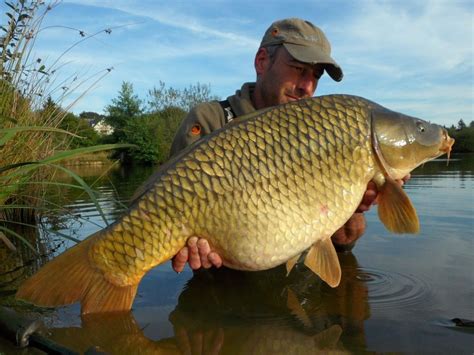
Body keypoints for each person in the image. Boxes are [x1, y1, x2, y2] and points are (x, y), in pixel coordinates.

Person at [169, 18, 407, 273]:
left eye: (315, 76)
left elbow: (344, 242)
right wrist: (183, 244)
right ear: (262, 61)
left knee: (354, 304)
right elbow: (167, 210)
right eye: (298, 69)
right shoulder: (210, 120)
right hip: (225, 285)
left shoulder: (322, 132)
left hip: (302, 283)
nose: (307, 86)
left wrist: (353, 205)